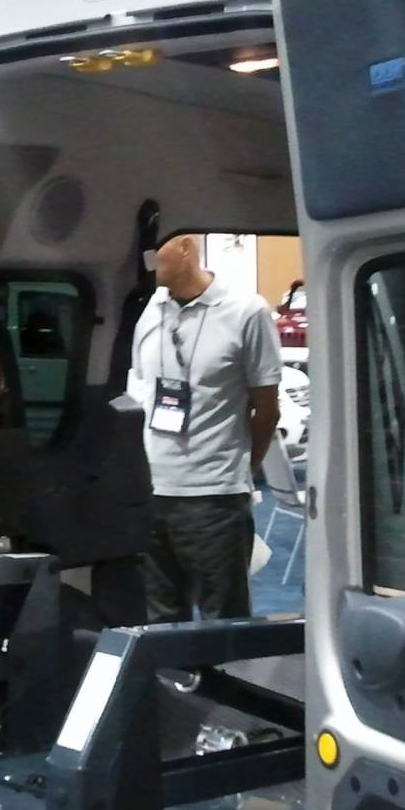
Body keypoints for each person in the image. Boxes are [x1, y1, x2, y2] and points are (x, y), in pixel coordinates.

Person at [128, 235, 283, 622]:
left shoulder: (246, 311)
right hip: (151, 492)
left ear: (186, 246)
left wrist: (241, 472)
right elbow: (140, 390)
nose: (147, 259)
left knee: (223, 619)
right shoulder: (150, 310)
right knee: (160, 618)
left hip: (214, 498)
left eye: (156, 250)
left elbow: (266, 410)